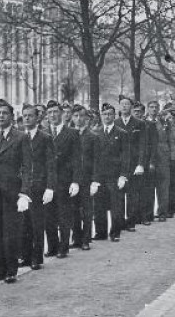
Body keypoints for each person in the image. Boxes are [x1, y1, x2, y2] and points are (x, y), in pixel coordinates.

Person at [0, 100, 29, 284]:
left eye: (5, 113)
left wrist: (24, 193)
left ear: (11, 116)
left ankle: (11, 270)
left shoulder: (20, 137)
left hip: (12, 190)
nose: (1, 116)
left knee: (10, 231)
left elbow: (27, 167)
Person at [44, 100, 83, 258]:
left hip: (64, 180)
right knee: (48, 216)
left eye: (55, 112)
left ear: (61, 113)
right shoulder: (43, 132)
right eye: (50, 113)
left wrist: (75, 181)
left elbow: (77, 159)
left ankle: (63, 247)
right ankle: (52, 246)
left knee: (63, 214)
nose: (53, 115)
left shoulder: (72, 133)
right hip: (47, 181)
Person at [20, 104, 54, 269]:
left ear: (37, 118)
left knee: (36, 223)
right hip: (22, 187)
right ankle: (25, 256)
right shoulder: (19, 137)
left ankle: (36, 257)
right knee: (23, 223)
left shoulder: (45, 137)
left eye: (30, 116)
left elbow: (50, 164)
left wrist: (50, 187)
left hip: (38, 185)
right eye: (24, 115)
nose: (27, 118)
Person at [91, 104, 131, 243]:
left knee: (116, 206)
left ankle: (115, 232)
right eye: (105, 114)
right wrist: (94, 178)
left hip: (115, 175)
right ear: (101, 116)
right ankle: (100, 232)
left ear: (114, 116)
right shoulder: (96, 132)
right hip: (100, 175)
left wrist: (123, 175)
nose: (107, 117)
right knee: (99, 205)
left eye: (110, 114)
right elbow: (93, 157)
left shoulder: (122, 133)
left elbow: (126, 156)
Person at [115, 96, 148, 232]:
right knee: (119, 194)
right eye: (122, 104)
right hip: (119, 163)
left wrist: (141, 163)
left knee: (132, 194)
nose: (124, 107)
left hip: (134, 163)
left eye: (127, 104)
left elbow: (143, 145)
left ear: (131, 107)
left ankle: (131, 222)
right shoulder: (115, 122)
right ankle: (120, 222)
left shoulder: (139, 123)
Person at [70, 106, 95, 250]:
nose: (78, 119)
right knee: (73, 210)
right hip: (72, 179)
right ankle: (77, 238)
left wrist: (95, 180)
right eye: (75, 116)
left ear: (86, 118)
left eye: (81, 116)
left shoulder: (92, 137)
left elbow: (96, 160)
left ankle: (86, 239)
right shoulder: (69, 135)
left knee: (86, 210)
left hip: (86, 178)